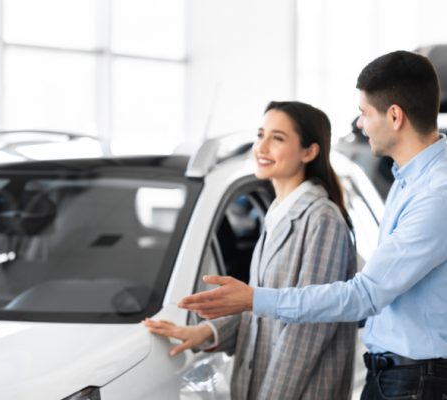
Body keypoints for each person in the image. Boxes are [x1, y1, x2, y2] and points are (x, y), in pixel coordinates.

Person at [179, 51, 447, 399]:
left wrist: (252, 299)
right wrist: (215, 327)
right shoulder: (408, 178)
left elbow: (362, 296)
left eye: (364, 113)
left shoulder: (435, 194)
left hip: (415, 379)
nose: (360, 124)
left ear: (395, 116)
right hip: (392, 373)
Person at [144, 101, 357, 399]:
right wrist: (204, 332)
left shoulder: (321, 218)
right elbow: (263, 308)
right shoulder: (278, 211)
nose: (262, 147)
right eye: (261, 135)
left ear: (309, 152)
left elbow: (309, 328)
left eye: (277, 138)